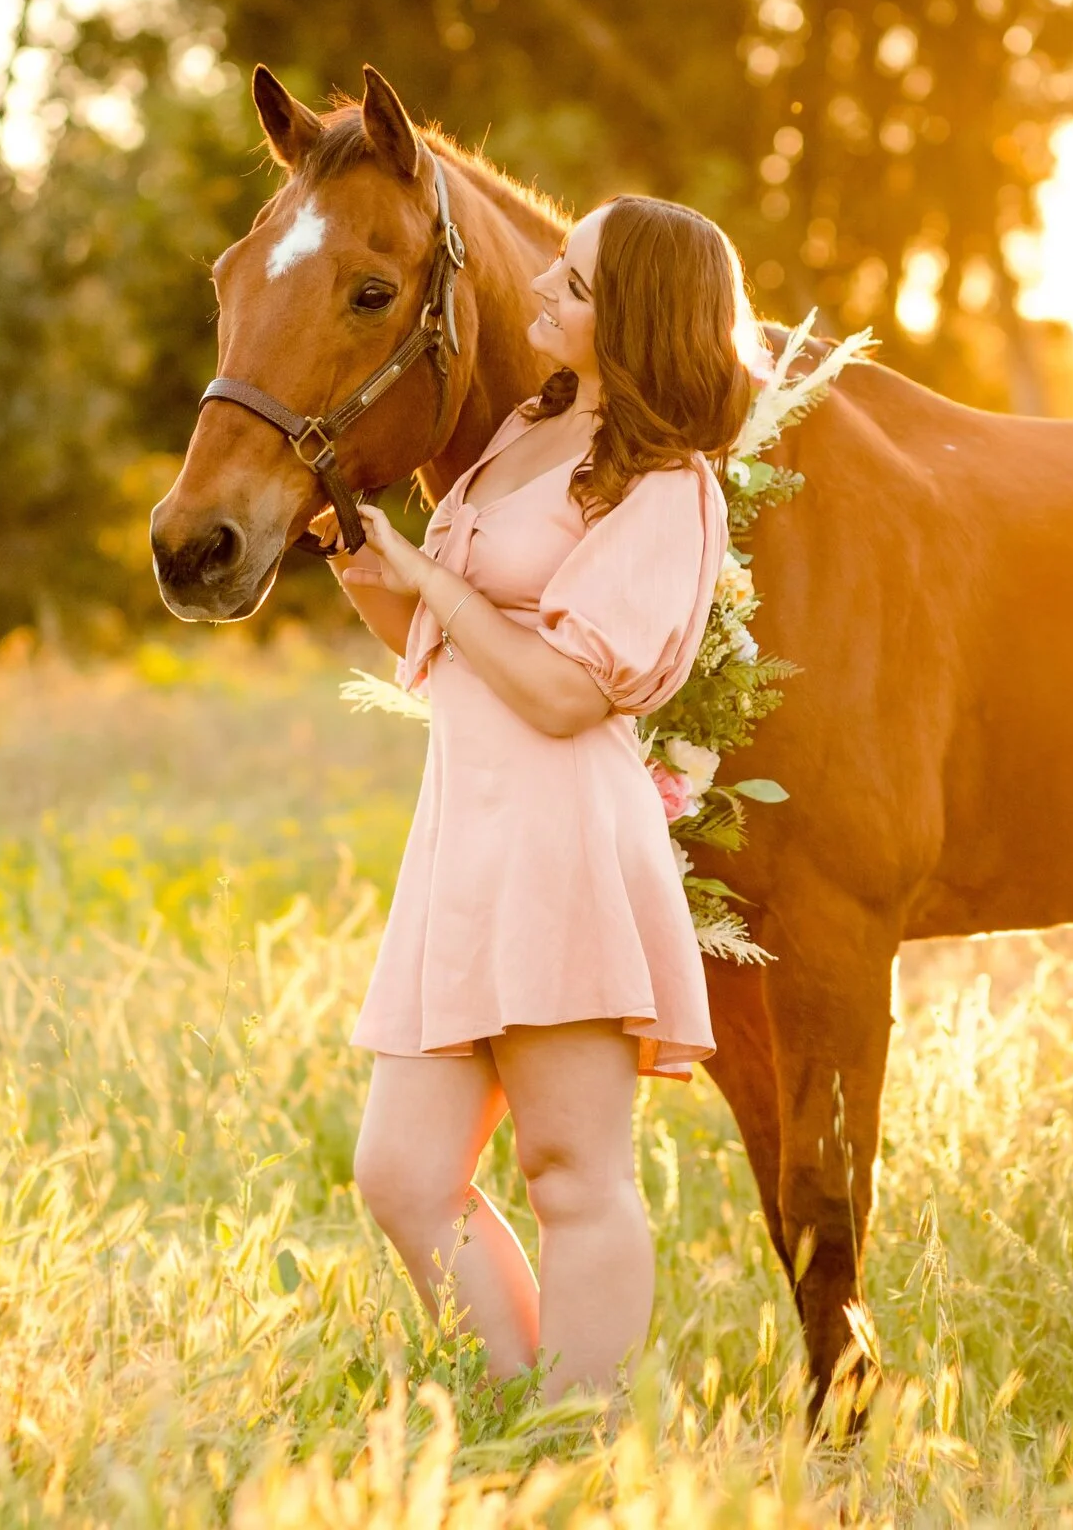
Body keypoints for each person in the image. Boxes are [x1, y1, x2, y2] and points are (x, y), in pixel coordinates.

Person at [325, 194, 747, 1398]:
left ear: (639, 319)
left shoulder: (667, 484)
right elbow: (434, 634)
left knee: (571, 1170)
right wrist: (365, 558)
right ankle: (525, 1413)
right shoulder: (529, 427)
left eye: (574, 281)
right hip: (466, 833)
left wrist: (426, 579)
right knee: (403, 1173)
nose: (543, 291)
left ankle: (578, 1438)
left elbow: (567, 694)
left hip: (562, 832)